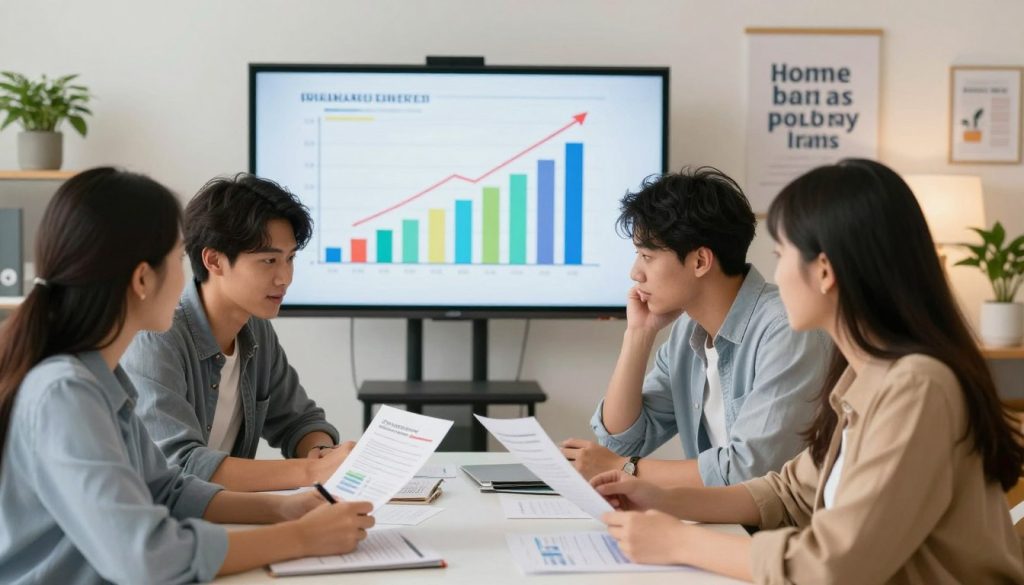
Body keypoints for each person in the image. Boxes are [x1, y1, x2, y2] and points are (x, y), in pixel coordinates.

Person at [591, 159, 1024, 584]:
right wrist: (660, 499)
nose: (774, 274)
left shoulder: (917, 387)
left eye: (781, 255)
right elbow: (788, 491)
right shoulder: (867, 374)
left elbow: (833, 565)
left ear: (824, 271)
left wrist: (679, 542)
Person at [0, 168, 373, 584]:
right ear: (143, 278)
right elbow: (148, 557)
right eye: (179, 257)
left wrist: (283, 509)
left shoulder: (99, 380)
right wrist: (300, 538)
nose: (187, 275)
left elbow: (167, 489)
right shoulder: (64, 393)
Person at [563, 167, 830, 487]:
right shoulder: (687, 332)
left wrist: (625, 468)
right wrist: (639, 333)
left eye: (647, 256)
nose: (635, 273)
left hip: (779, 533)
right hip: (720, 521)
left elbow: (751, 471)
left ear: (700, 261)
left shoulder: (785, 331)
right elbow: (622, 443)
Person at [122, 174, 348, 492]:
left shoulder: (256, 330)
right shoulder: (157, 339)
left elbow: (299, 421)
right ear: (214, 260)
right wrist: (312, 470)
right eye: (269, 260)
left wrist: (320, 451)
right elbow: (180, 466)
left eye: (290, 259)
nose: (285, 277)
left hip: (225, 516)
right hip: (164, 529)